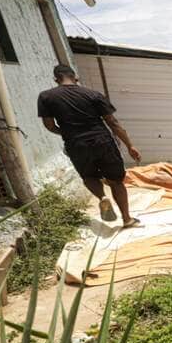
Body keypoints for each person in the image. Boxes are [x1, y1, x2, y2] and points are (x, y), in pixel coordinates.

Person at [38, 64, 142, 227]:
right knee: (116, 181)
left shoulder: (46, 97)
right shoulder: (93, 95)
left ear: (56, 79)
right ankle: (127, 219)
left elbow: (49, 126)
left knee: (89, 177)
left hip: (76, 143)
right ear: (76, 78)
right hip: (102, 141)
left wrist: (67, 133)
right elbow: (113, 123)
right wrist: (130, 146)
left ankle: (102, 197)